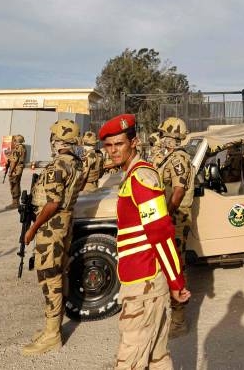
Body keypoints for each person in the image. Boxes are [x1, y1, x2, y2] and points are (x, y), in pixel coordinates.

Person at [101, 113, 189, 369]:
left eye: (119, 143)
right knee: (157, 357)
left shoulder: (141, 178)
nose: (113, 150)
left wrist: (176, 282)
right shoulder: (133, 175)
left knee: (130, 359)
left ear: (134, 142)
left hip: (145, 282)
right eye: (109, 145)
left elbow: (160, 232)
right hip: (143, 278)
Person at [20, 120, 85, 356]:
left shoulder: (59, 165)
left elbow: (53, 203)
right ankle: (51, 328)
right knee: (57, 273)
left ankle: (52, 334)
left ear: (57, 140)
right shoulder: (76, 163)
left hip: (52, 226)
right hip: (64, 222)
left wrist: (33, 228)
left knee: (50, 277)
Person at [154, 116, 194, 337]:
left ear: (171, 138)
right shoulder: (170, 157)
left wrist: (166, 215)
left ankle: (179, 322)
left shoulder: (179, 159)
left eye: (163, 135)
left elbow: (177, 192)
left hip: (176, 218)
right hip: (170, 215)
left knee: (176, 266)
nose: (160, 139)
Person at [5, 134, 27, 210]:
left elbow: (14, 161)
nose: (13, 142)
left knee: (14, 185)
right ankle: (16, 202)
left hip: (15, 170)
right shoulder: (23, 147)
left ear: (16, 141)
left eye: (14, 140)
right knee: (17, 184)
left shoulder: (17, 148)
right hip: (19, 169)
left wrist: (10, 171)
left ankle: (15, 203)